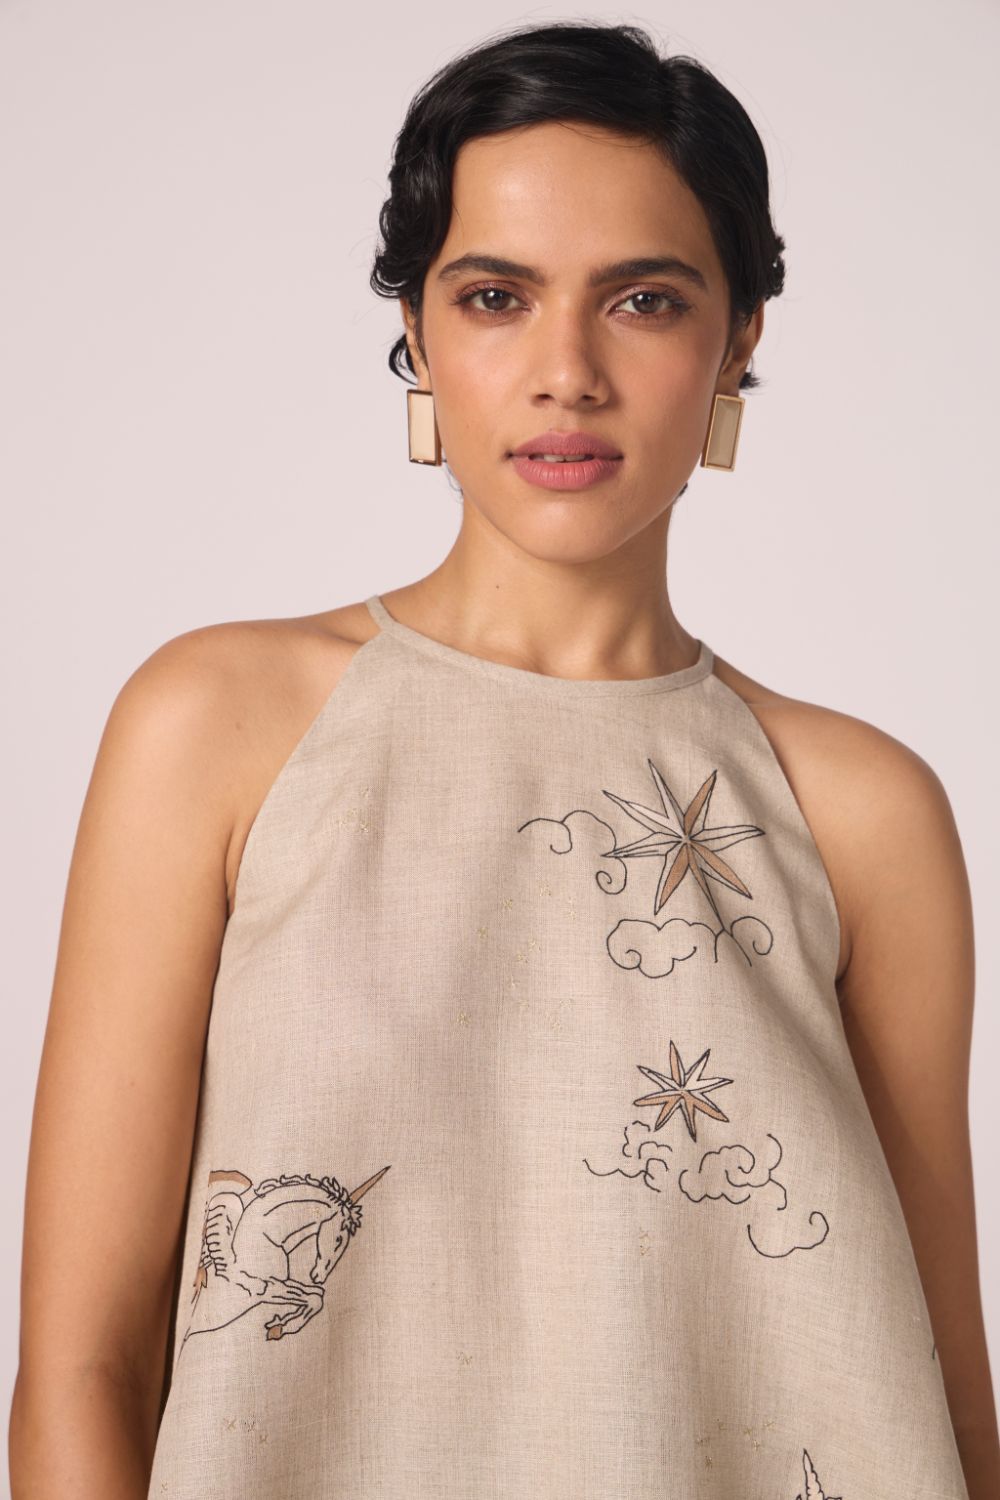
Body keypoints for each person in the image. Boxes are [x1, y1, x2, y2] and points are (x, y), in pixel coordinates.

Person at [9, 19, 998, 1500]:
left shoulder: (860, 810)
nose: (566, 373)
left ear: (739, 339)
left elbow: (941, 1392)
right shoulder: (217, 725)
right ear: (416, 331)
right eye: (495, 297)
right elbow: (81, 1367)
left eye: (645, 301)